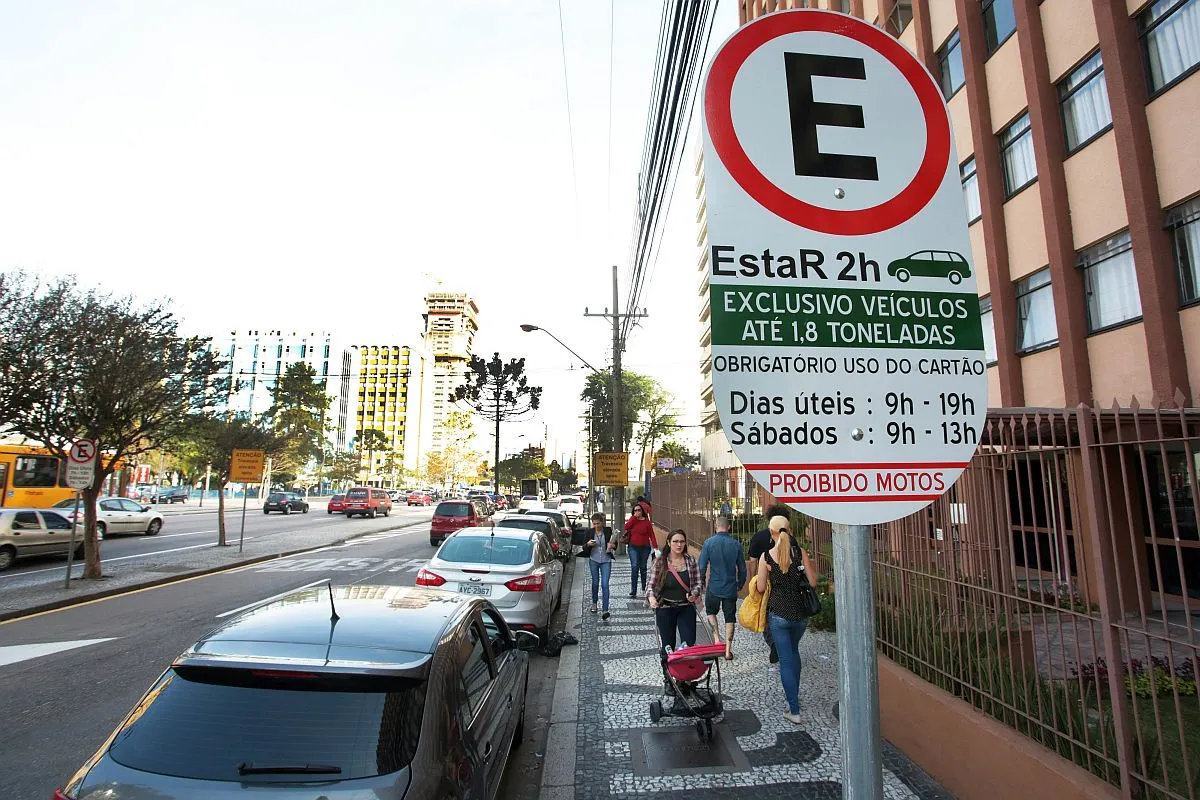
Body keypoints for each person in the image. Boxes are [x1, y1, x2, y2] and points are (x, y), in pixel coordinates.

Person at [755, 515, 818, 725]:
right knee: (793, 652)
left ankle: (794, 709)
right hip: (800, 614)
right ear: (789, 531)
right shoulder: (800, 553)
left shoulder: (766, 557)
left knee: (786, 660)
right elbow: (813, 582)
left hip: (779, 614)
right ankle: (794, 697)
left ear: (770, 532)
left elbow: (761, 587)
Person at [647, 529, 702, 681]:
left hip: (686, 607)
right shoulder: (660, 562)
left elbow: (698, 583)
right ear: (669, 543)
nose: (679, 545)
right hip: (665, 608)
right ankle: (669, 678)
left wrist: (694, 593)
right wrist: (651, 598)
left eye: (682, 541)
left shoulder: (691, 561)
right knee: (668, 646)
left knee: (688, 644)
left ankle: (684, 678)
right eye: (675, 541)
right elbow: (650, 585)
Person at [747, 503, 794, 665]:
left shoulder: (758, 537)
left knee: (766, 616)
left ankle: (775, 643)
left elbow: (752, 561)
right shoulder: (792, 541)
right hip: (790, 587)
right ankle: (786, 645)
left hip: (768, 585)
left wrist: (754, 580)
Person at [697, 515, 746, 660]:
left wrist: (702, 583)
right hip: (730, 588)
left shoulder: (708, 543)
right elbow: (742, 568)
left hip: (714, 586)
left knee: (711, 612)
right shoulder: (736, 544)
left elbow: (702, 566)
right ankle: (728, 650)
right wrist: (740, 584)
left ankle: (717, 639)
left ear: (715, 526)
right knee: (730, 617)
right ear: (729, 527)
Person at [582, 512, 616, 619]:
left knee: (605, 584)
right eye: (594, 524)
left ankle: (605, 609)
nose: (596, 526)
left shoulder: (608, 530)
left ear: (602, 522)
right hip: (594, 560)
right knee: (595, 582)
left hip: (606, 560)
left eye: (598, 523)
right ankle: (594, 603)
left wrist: (612, 545)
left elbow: (615, 544)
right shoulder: (589, 532)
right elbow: (583, 547)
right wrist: (588, 544)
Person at [623, 503, 656, 597]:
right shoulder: (632, 520)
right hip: (633, 547)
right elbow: (626, 527)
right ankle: (633, 590)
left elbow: (651, 534)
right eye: (635, 510)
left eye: (639, 510)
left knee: (643, 567)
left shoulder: (646, 522)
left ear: (642, 511)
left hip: (645, 548)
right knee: (634, 566)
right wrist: (633, 518)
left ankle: (644, 587)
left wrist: (655, 547)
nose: (637, 512)